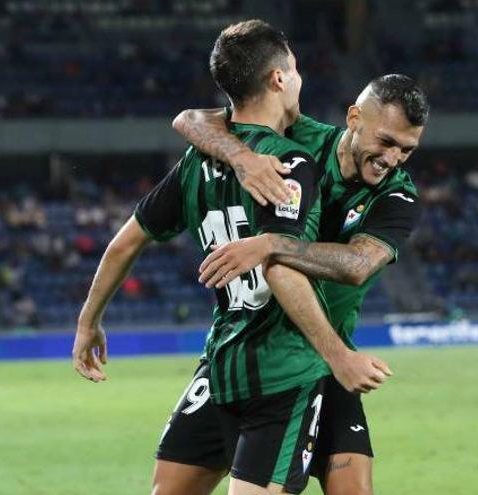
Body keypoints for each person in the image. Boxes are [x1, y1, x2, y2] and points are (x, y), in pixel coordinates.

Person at [71, 20, 391, 495]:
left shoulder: (195, 161)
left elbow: (125, 242)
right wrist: (339, 355)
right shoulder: (292, 164)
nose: (300, 78)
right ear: (279, 78)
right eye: (296, 68)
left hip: (220, 363)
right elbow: (281, 268)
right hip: (282, 373)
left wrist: (87, 322)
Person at [161, 73, 428, 495]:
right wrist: (243, 158)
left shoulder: (398, 196)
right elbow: (190, 120)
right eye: (386, 142)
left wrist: (270, 245)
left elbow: (358, 265)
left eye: (406, 150)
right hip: (259, 349)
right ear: (354, 118)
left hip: (322, 354)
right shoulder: (301, 136)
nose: (392, 159)